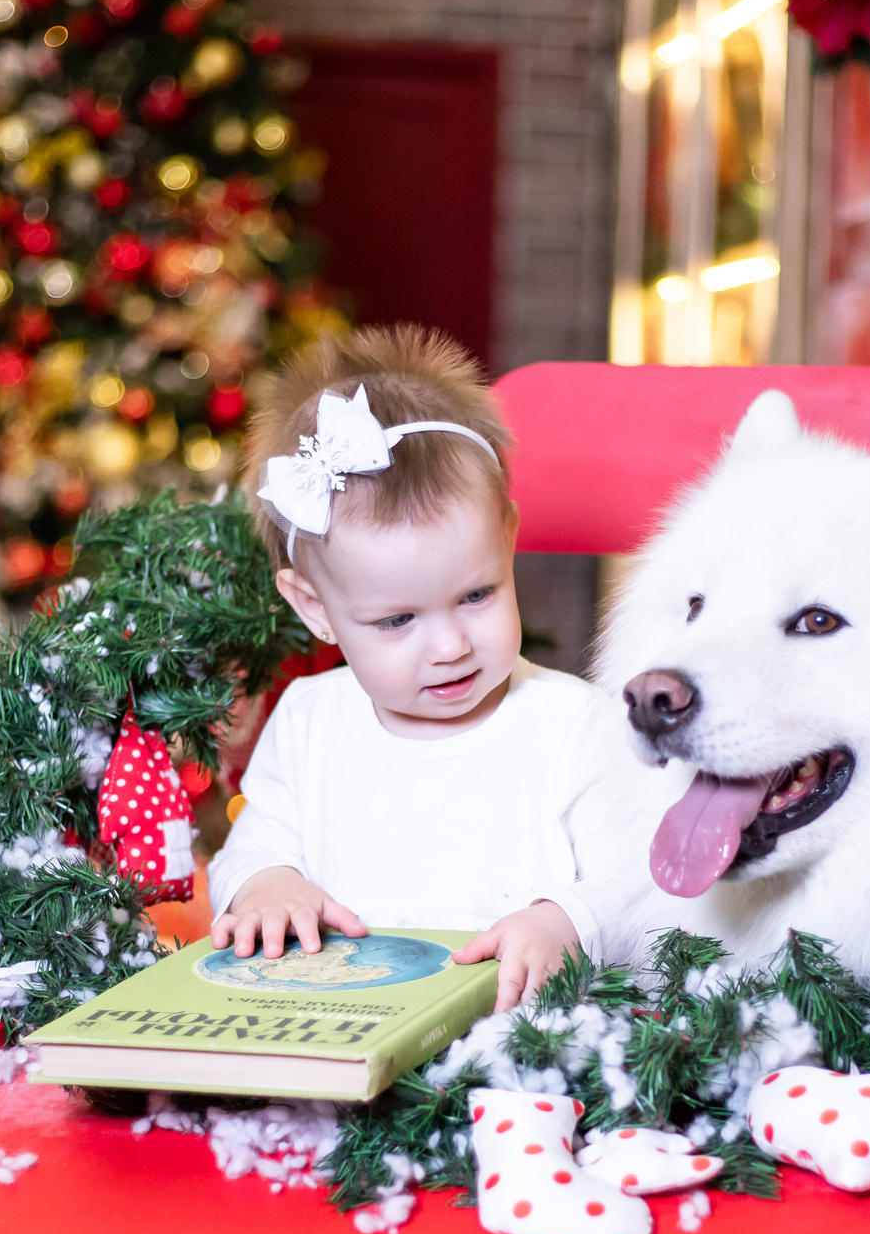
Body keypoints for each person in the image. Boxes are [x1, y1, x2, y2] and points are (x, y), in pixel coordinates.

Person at [206, 326, 649, 1010]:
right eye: (396, 621)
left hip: (521, 1036)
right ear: (315, 607)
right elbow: (252, 845)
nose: (448, 647)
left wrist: (564, 919)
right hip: (341, 1028)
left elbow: (635, 880)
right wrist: (265, 884)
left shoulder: (573, 724)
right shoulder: (309, 721)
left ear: (507, 537)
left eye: (476, 595)